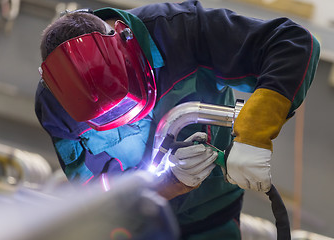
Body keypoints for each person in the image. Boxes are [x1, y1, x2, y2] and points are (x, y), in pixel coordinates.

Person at [35, 0, 320, 239]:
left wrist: (255, 134)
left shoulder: (180, 32)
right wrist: (170, 184)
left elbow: (292, 43)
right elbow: (98, 197)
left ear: (128, 45)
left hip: (212, 217)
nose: (122, 120)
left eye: (126, 106)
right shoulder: (55, 105)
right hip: (134, 226)